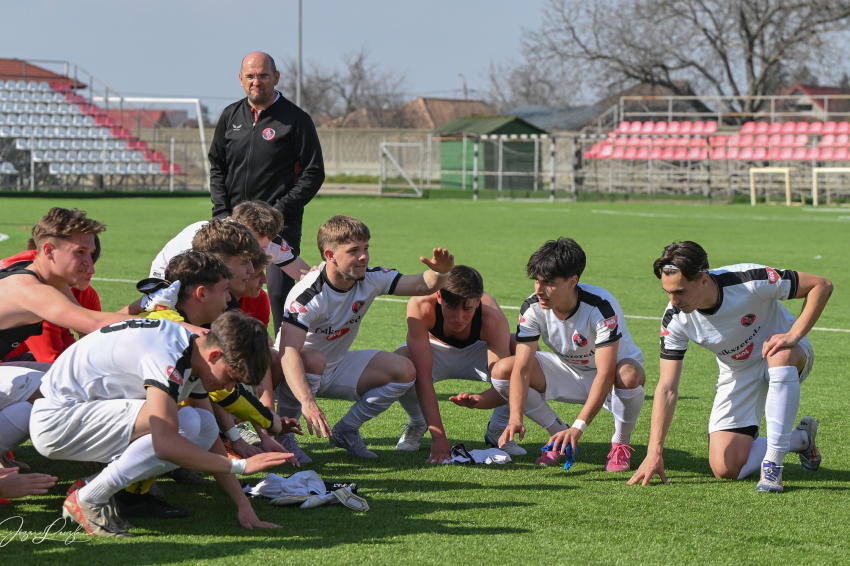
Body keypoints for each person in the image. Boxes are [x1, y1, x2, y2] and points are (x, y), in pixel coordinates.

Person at [30, 312, 292, 537]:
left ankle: (92, 488)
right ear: (215, 355)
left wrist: (242, 504)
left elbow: (210, 432)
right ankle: (89, 497)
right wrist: (240, 465)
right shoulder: (169, 356)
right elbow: (165, 444)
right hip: (55, 422)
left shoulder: (193, 351)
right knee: (184, 423)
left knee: (199, 422)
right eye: (231, 378)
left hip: (73, 414)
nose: (229, 388)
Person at [629, 241, 831, 492]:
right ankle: (800, 439)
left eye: (680, 291)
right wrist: (654, 451)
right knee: (725, 468)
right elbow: (667, 388)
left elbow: (821, 285)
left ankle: (773, 466)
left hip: (788, 356)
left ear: (704, 280)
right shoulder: (675, 319)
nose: (673, 301)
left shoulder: (748, 279)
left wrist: (793, 335)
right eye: (667, 292)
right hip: (738, 372)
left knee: (778, 355)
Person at [454, 238, 646, 472]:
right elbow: (522, 370)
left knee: (629, 374)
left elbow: (605, 373)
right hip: (567, 369)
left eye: (549, 283)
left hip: (611, 375)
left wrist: (578, 427)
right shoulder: (532, 307)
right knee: (504, 369)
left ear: (572, 281)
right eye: (536, 281)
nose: (539, 290)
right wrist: (515, 417)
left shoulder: (601, 306)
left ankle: (620, 443)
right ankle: (557, 435)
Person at [275, 215, 454, 461]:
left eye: (366, 248)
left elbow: (422, 285)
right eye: (354, 251)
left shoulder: (371, 278)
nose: (363, 257)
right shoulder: (308, 295)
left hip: (336, 366)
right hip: (292, 374)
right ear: (330, 255)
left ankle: (346, 430)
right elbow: (288, 353)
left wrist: (440, 273)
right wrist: (307, 401)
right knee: (313, 359)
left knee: (404, 370)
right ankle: (283, 436)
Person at [0, 209, 157, 478]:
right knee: (51, 386)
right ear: (49, 250)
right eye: (80, 252)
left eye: (90, 252)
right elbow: (94, 324)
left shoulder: (47, 280)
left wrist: (145, 304)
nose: (90, 264)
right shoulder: (30, 288)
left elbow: (93, 329)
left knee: (58, 381)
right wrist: (172, 328)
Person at [209, 52, 325, 336]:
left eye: (262, 75)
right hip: (232, 227)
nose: (256, 82)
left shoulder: (296, 119)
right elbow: (217, 168)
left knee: (279, 296)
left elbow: (313, 173)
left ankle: (284, 365)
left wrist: (276, 214)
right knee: (227, 291)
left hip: (278, 227)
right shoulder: (229, 116)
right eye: (250, 76)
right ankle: (230, 361)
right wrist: (222, 214)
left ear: (275, 77)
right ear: (241, 80)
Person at [393, 265, 523, 463]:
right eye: (451, 307)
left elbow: (502, 384)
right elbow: (424, 378)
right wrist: (439, 437)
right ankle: (418, 422)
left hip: (477, 351)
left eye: (468, 309)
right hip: (434, 349)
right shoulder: (420, 304)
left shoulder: (492, 317)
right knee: (398, 364)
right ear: (439, 296)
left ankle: (498, 429)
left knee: (523, 357)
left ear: (478, 301)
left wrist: (481, 400)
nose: (459, 318)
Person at [150, 200, 311, 284]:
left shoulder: (271, 241)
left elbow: (305, 274)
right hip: (170, 276)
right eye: (253, 243)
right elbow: (191, 286)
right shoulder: (206, 241)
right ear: (238, 230)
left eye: (263, 247)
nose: (259, 251)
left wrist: (321, 279)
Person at [1, 235, 102, 364]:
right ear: (49, 252)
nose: (92, 269)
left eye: (93, 258)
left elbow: (96, 335)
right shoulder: (36, 289)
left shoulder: (84, 292)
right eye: (80, 253)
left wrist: (132, 308)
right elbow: (51, 360)